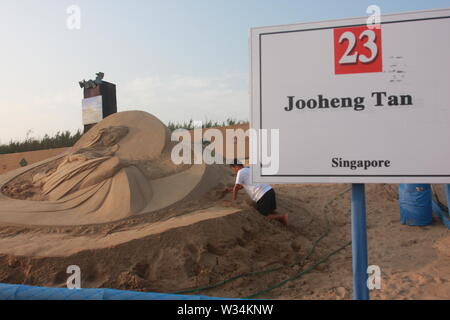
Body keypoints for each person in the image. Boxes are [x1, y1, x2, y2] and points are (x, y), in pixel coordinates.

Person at [223, 160, 288, 225]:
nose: (234, 171)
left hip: (262, 195)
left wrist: (234, 200)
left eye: (233, 169)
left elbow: (236, 187)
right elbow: (241, 187)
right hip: (269, 191)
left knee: (263, 215)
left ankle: (283, 217)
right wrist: (229, 190)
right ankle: (283, 221)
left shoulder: (240, 172)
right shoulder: (249, 169)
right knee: (270, 211)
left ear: (236, 167)